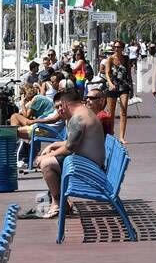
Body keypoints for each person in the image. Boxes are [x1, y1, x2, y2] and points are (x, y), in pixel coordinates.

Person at [35, 84, 106, 220]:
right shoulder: (85, 112)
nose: (60, 110)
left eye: (60, 107)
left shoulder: (77, 118)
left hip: (89, 168)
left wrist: (47, 155)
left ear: (65, 104)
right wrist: (54, 145)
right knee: (50, 161)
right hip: (91, 163)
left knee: (46, 164)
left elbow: (70, 148)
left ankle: (57, 203)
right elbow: (73, 143)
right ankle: (63, 202)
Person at [103, 39, 132, 145]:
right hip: (113, 86)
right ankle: (110, 133)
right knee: (111, 113)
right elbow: (107, 73)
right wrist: (110, 83)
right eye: (115, 47)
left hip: (124, 86)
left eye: (118, 47)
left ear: (122, 48)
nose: (116, 48)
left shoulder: (126, 59)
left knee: (124, 111)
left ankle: (122, 137)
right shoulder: (110, 59)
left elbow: (129, 74)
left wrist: (131, 88)